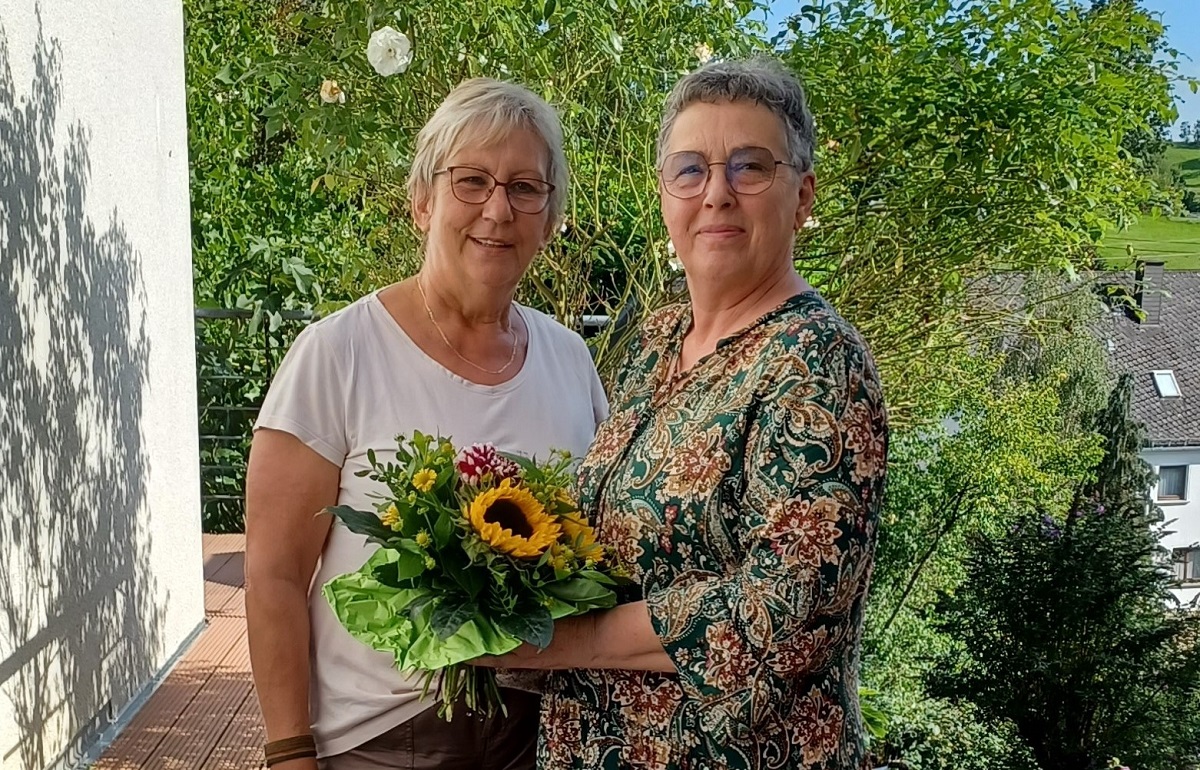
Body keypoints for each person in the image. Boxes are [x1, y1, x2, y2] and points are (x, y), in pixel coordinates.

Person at [476, 58, 889, 769]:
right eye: (691, 169)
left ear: (803, 196)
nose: (717, 194)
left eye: (750, 167)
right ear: (666, 193)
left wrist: (548, 638)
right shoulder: (658, 341)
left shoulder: (819, 363)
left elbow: (779, 617)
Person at [244, 78, 608, 770]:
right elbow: (274, 576)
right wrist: (290, 753)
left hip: (544, 733)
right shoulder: (339, 353)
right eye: (471, 180)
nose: (497, 210)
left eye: (526, 189)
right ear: (422, 201)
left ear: (550, 218)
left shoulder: (568, 357)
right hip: (380, 738)